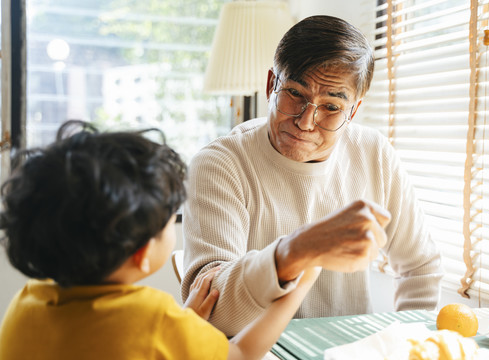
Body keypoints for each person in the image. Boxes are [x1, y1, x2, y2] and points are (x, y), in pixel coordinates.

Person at [182, 15, 443, 337]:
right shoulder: (219, 164)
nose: (306, 121)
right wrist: (295, 251)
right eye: (295, 93)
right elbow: (211, 315)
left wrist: (410, 343)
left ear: (353, 111)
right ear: (270, 86)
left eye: (331, 107)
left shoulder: (374, 153)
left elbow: (420, 267)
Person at [0, 120, 321, 360]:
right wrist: (300, 285)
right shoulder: (153, 320)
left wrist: (185, 325)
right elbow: (240, 353)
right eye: (170, 220)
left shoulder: (25, 304)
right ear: (142, 252)